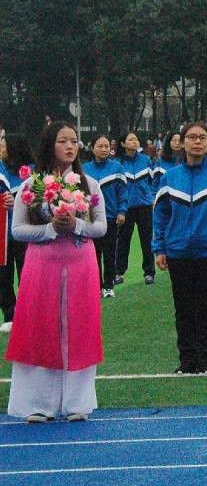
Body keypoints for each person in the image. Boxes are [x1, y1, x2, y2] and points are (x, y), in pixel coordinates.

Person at [5, 121, 108, 420]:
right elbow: (18, 230)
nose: (70, 146)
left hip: (81, 265)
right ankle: (39, 403)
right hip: (42, 265)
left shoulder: (90, 185)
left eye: (74, 141)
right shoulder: (30, 186)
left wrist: (77, 225)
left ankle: (77, 403)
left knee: (80, 327)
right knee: (40, 328)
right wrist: (50, 229)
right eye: (63, 140)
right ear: (49, 144)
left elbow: (101, 226)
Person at [152, 122, 207, 374]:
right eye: (192, 137)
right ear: (182, 142)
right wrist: (159, 248)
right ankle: (187, 360)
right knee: (183, 308)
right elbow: (160, 215)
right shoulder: (170, 177)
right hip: (178, 252)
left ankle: (204, 359)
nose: (197, 142)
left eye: (202, 137)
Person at [82, 134, 127, 298]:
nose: (104, 149)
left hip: (110, 217)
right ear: (92, 148)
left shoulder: (117, 168)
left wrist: (122, 211)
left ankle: (108, 286)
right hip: (89, 219)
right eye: (100, 146)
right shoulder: (84, 169)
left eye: (107, 146)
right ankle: (95, 286)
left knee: (109, 253)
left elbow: (122, 192)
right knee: (93, 254)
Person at [1, 132, 35, 334]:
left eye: (3, 144)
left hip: (26, 233)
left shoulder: (31, 172)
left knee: (28, 273)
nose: (0, 147)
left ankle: (29, 313)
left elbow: (41, 203)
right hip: (3, 234)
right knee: (3, 275)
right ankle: (9, 314)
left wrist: (20, 202)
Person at [116, 131, 157, 286]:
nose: (135, 142)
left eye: (136, 139)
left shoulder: (146, 160)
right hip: (126, 208)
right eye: (131, 139)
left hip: (145, 206)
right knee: (123, 240)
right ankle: (119, 272)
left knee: (147, 240)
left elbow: (153, 181)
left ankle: (149, 272)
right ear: (123, 144)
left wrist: (151, 196)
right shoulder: (118, 163)